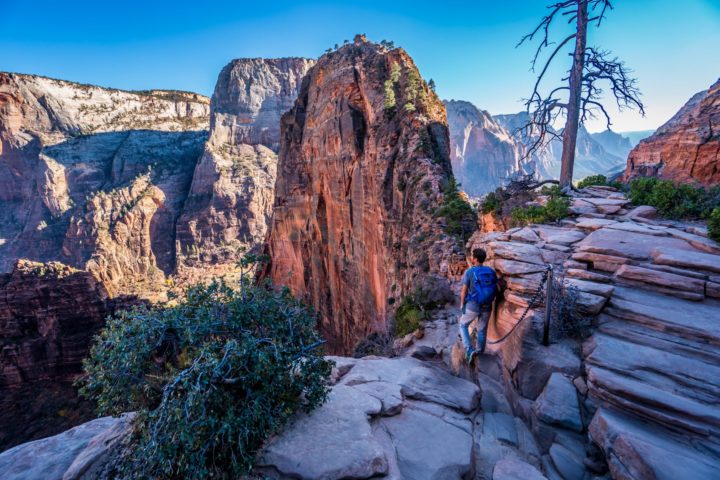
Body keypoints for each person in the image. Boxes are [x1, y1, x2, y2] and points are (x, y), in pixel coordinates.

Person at [459, 248, 498, 363]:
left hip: (473, 306)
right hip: (487, 306)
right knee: (482, 330)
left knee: (463, 325)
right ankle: (479, 352)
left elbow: (464, 291)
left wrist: (462, 304)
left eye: (472, 256)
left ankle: (469, 350)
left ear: (475, 259)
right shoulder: (491, 271)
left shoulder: (470, 272)